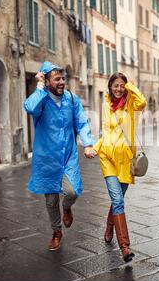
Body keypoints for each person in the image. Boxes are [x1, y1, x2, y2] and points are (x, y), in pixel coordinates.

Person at [24, 61, 96, 251]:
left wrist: (87, 143)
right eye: (57, 79)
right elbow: (30, 108)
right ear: (47, 82)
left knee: (71, 191)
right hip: (46, 158)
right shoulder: (40, 101)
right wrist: (38, 85)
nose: (62, 82)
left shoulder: (71, 99)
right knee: (50, 200)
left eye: (62, 78)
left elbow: (81, 122)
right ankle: (56, 232)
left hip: (68, 156)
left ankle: (67, 208)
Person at [93, 72, 147, 262]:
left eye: (121, 86)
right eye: (115, 85)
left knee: (117, 200)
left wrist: (130, 86)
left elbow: (143, 102)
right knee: (117, 200)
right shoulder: (106, 104)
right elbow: (106, 133)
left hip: (125, 162)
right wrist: (95, 148)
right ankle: (125, 247)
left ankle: (109, 227)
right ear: (109, 87)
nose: (118, 89)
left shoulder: (131, 103)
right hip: (108, 159)